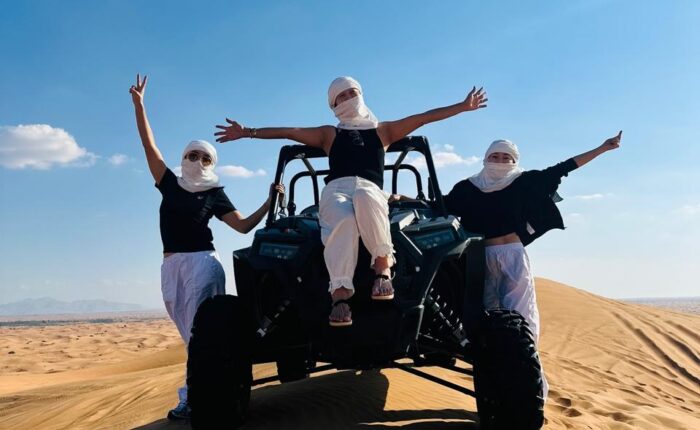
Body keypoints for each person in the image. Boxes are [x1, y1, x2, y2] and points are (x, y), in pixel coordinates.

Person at [214, 76, 487, 327]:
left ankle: (382, 269)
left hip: (370, 188)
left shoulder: (383, 131)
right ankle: (340, 296)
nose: (348, 99)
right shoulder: (329, 134)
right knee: (342, 219)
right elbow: (290, 132)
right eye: (340, 97)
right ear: (333, 105)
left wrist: (462, 107)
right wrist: (248, 131)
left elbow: (423, 118)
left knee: (367, 196)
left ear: (361, 94)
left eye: (351, 92)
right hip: (336, 189)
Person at [129, 74, 283, 420]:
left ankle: (192, 397)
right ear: (184, 156)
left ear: (212, 163)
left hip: (202, 265)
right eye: (192, 154)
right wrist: (140, 106)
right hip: (171, 267)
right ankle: (200, 391)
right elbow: (147, 145)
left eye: (205, 157)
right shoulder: (169, 183)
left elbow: (242, 226)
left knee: (202, 339)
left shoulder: (214, 193)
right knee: (191, 337)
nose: (198, 160)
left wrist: (268, 201)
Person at [442, 131, 623, 399]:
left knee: (523, 318)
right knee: (486, 319)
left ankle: (532, 385)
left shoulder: (525, 181)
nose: (500, 160)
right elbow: (439, 205)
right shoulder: (467, 187)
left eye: (506, 157)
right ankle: (497, 385)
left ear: (514, 160)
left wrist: (602, 148)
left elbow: (565, 167)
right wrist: (399, 200)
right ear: (485, 158)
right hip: (477, 258)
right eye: (495, 156)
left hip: (513, 254)